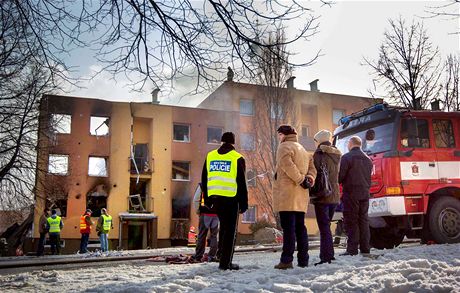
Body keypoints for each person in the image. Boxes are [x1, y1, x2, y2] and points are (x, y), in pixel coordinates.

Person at [273, 125, 316, 269]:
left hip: (287, 195)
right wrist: (308, 179)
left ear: (283, 134)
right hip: (301, 195)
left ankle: (286, 260)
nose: (279, 138)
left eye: (279, 135)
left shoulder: (284, 147)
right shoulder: (303, 149)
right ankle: (303, 260)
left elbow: (287, 165)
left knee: (289, 230)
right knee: (300, 228)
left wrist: (300, 179)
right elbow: (312, 168)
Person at [202, 132, 248, 270]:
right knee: (230, 232)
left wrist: (207, 200)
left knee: (223, 229)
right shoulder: (237, 158)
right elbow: (241, 183)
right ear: (233, 143)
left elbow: (204, 179)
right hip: (231, 200)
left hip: (216, 200)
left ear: (221, 142)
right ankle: (225, 263)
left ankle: (221, 256)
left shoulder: (210, 156)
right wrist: (244, 203)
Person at [311, 130, 342, 265]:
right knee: (327, 226)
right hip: (334, 195)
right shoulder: (337, 154)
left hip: (323, 195)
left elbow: (314, 173)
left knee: (324, 228)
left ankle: (326, 257)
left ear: (319, 141)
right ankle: (329, 255)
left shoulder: (318, 154)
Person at [338, 136, 373, 256]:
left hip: (351, 193)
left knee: (351, 221)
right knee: (363, 221)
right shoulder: (368, 159)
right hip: (365, 193)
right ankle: (365, 248)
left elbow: (340, 177)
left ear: (350, 144)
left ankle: (352, 249)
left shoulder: (347, 157)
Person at [190, 183, 220, 263]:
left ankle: (198, 256)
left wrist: (198, 211)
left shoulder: (202, 185)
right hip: (217, 214)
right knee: (214, 236)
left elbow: (196, 200)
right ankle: (212, 256)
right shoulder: (219, 184)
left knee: (202, 236)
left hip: (205, 214)